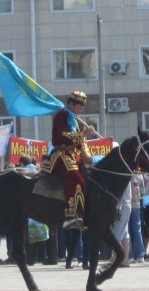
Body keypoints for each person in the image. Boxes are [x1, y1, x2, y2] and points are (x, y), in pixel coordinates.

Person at [42, 90, 94, 229]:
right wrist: (83, 133)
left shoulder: (74, 119)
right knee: (77, 181)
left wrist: (87, 155)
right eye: (79, 106)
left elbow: (81, 142)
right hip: (61, 155)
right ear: (71, 104)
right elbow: (64, 135)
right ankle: (71, 216)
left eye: (82, 107)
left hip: (74, 156)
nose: (81, 109)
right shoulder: (62, 115)